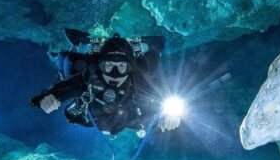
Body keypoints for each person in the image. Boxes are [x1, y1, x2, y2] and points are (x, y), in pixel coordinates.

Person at [29, 33, 182, 137]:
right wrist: (45, 98)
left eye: (121, 67)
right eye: (108, 66)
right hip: (123, 116)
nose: (114, 74)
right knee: (68, 65)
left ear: (129, 68)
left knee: (148, 66)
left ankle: (97, 51)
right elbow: (65, 88)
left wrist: (170, 114)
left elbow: (163, 94)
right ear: (100, 66)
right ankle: (146, 49)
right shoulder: (91, 77)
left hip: (111, 115)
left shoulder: (135, 80)